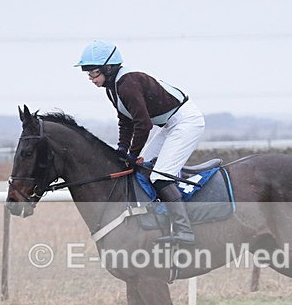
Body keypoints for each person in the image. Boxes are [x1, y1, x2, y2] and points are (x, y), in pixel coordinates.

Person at [75, 40, 204, 244]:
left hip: (186, 122)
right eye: (87, 73)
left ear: (109, 68)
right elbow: (125, 121)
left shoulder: (127, 84)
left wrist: (132, 155)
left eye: (93, 72)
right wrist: (122, 150)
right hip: (169, 124)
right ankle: (157, 218)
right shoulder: (113, 87)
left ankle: (184, 229)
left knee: (161, 177)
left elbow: (143, 125)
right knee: (141, 170)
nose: (90, 78)